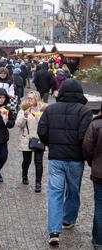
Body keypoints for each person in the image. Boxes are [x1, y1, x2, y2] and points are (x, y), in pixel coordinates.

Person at [37, 79, 92, 246]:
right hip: (75, 159)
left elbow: (42, 131)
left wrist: (51, 144)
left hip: (56, 158)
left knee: (55, 193)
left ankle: (54, 230)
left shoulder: (50, 109)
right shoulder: (85, 112)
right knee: (73, 190)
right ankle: (68, 219)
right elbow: (85, 137)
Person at [15, 91, 47, 193]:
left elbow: (45, 124)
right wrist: (25, 115)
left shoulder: (42, 110)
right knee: (27, 161)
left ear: (36, 99)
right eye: (28, 98)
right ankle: (24, 175)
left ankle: (38, 183)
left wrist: (36, 115)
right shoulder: (23, 109)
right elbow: (18, 125)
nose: (29, 100)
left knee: (38, 162)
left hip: (38, 138)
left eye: (31, 98)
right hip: (26, 138)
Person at [82, 103, 102, 249]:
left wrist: (92, 163)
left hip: (99, 172)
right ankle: (96, 239)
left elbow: (87, 147)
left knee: (100, 206)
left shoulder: (96, 124)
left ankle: (98, 241)